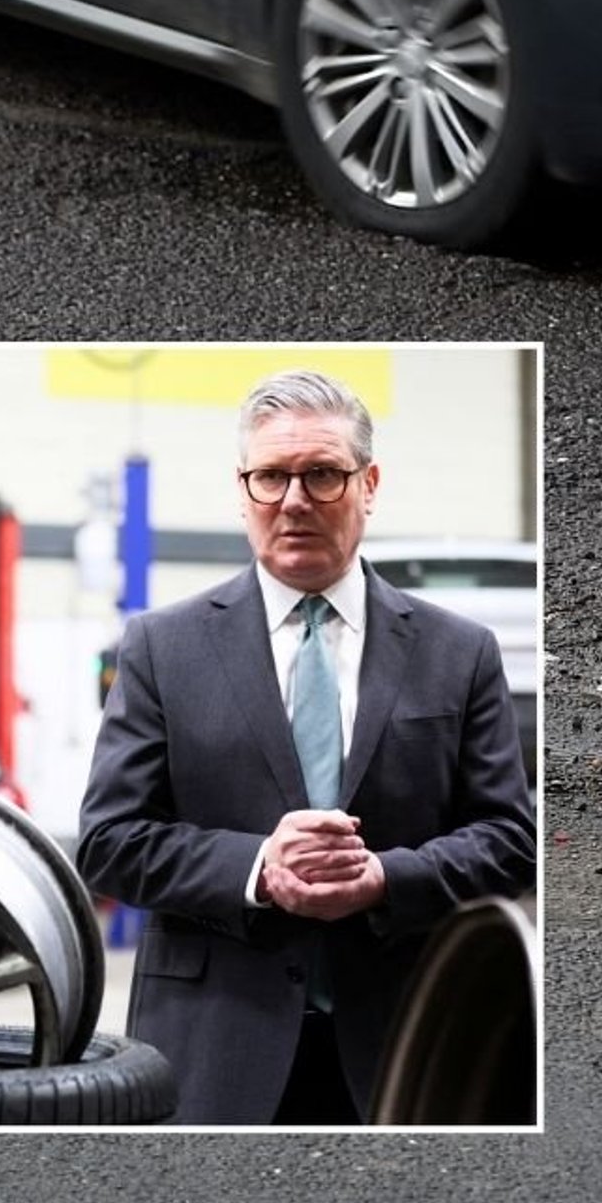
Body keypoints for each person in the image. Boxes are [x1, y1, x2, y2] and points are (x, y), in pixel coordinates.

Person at [76, 370, 535, 1126]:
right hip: (216, 1048)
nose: (294, 500)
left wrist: (385, 877)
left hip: (411, 1046)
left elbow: (511, 838)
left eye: (322, 474)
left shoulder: (459, 652)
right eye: (271, 477)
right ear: (243, 490)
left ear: (368, 484)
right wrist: (259, 868)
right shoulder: (163, 647)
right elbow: (109, 841)